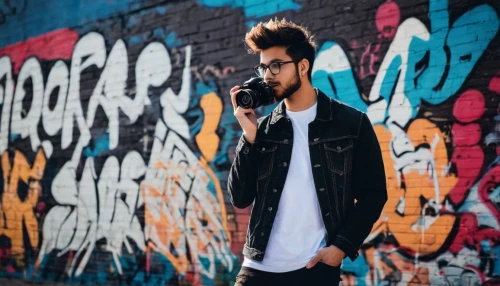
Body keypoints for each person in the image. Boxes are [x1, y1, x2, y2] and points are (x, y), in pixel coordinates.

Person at [228, 18, 387, 285]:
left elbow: (374, 195)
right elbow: (240, 198)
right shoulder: (263, 129)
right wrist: (249, 137)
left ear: (302, 66)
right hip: (256, 269)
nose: (267, 76)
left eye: (276, 66)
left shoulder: (351, 124)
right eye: (263, 67)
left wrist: (340, 249)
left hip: (314, 269)